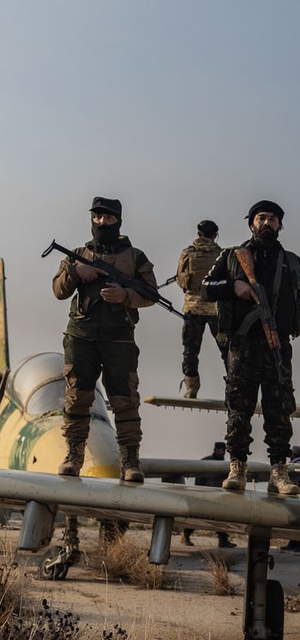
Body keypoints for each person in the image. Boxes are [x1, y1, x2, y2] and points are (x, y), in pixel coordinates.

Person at [201, 200, 300, 496]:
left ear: (280, 225)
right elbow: (206, 287)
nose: (267, 223)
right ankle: (238, 466)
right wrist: (235, 287)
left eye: (272, 219)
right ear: (251, 223)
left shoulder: (292, 262)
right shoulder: (232, 257)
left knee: (279, 409)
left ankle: (279, 470)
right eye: (261, 218)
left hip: (279, 346)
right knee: (238, 408)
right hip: (242, 346)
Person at [51, 197, 157, 482]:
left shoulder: (136, 257)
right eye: (97, 217)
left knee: (125, 401)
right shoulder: (77, 253)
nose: (101, 222)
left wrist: (125, 296)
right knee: (77, 398)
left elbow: (151, 294)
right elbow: (59, 290)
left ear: (118, 221)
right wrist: (76, 271)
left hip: (119, 339)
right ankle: (74, 455)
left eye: (107, 218)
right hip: (81, 336)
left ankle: (131, 460)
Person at [176, 220, 225, 398]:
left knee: (190, 350)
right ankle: (233, 388)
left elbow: (182, 282)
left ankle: (191, 389)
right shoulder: (222, 254)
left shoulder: (187, 253)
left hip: (193, 308)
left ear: (198, 234)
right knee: (226, 350)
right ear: (215, 235)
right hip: (216, 310)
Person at [196, 441, 234, 547]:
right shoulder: (206, 462)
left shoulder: (225, 465)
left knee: (221, 519)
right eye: (221, 450)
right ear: (215, 450)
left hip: (219, 497)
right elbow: (198, 478)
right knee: (197, 517)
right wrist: (200, 493)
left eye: (224, 450)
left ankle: (223, 541)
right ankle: (185, 536)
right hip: (206, 496)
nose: (223, 452)